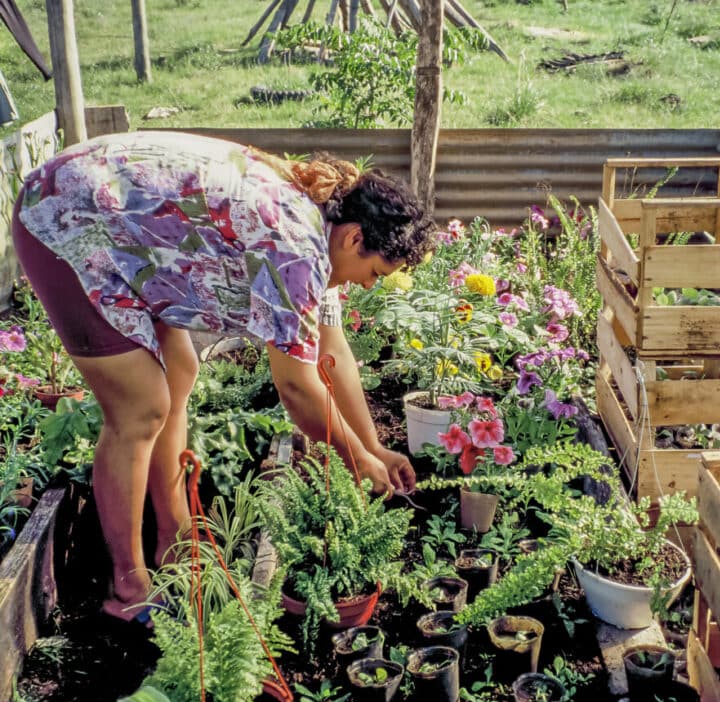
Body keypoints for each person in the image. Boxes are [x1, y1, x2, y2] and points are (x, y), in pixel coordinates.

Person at [12, 130, 435, 626]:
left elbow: (332, 351)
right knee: (140, 407)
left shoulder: (322, 233)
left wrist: (373, 447)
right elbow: (296, 388)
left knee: (179, 372)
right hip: (63, 218)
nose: (369, 284)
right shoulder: (297, 248)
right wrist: (354, 458)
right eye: (376, 273)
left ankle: (175, 541)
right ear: (355, 239)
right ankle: (127, 586)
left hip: (120, 226)